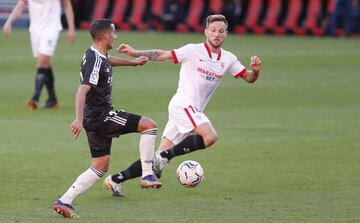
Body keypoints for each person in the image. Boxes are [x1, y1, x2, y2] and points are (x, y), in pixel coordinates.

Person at [102, 14, 262, 196]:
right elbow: (161, 55)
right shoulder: (193, 50)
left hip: (192, 111)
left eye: (221, 31)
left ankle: (115, 179)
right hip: (182, 105)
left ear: (226, 34)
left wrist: (255, 72)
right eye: (213, 30)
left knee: (153, 160)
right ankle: (165, 156)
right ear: (206, 32)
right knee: (209, 137)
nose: (217, 34)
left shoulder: (228, 59)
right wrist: (136, 52)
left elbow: (248, 78)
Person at [52, 19, 162, 218]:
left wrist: (133, 63)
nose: (116, 36)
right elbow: (82, 90)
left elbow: (107, 61)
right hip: (101, 116)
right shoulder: (95, 60)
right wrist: (77, 118)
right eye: (114, 33)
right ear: (105, 36)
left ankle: (65, 200)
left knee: (100, 166)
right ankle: (147, 174)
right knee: (149, 126)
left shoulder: (95, 53)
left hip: (92, 118)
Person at [2, 0, 76, 109]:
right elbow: (21, 4)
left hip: (52, 27)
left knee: (42, 61)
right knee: (45, 63)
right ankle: (52, 100)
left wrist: (71, 28)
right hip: (35, 29)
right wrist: (9, 22)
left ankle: (35, 98)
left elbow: (66, 4)